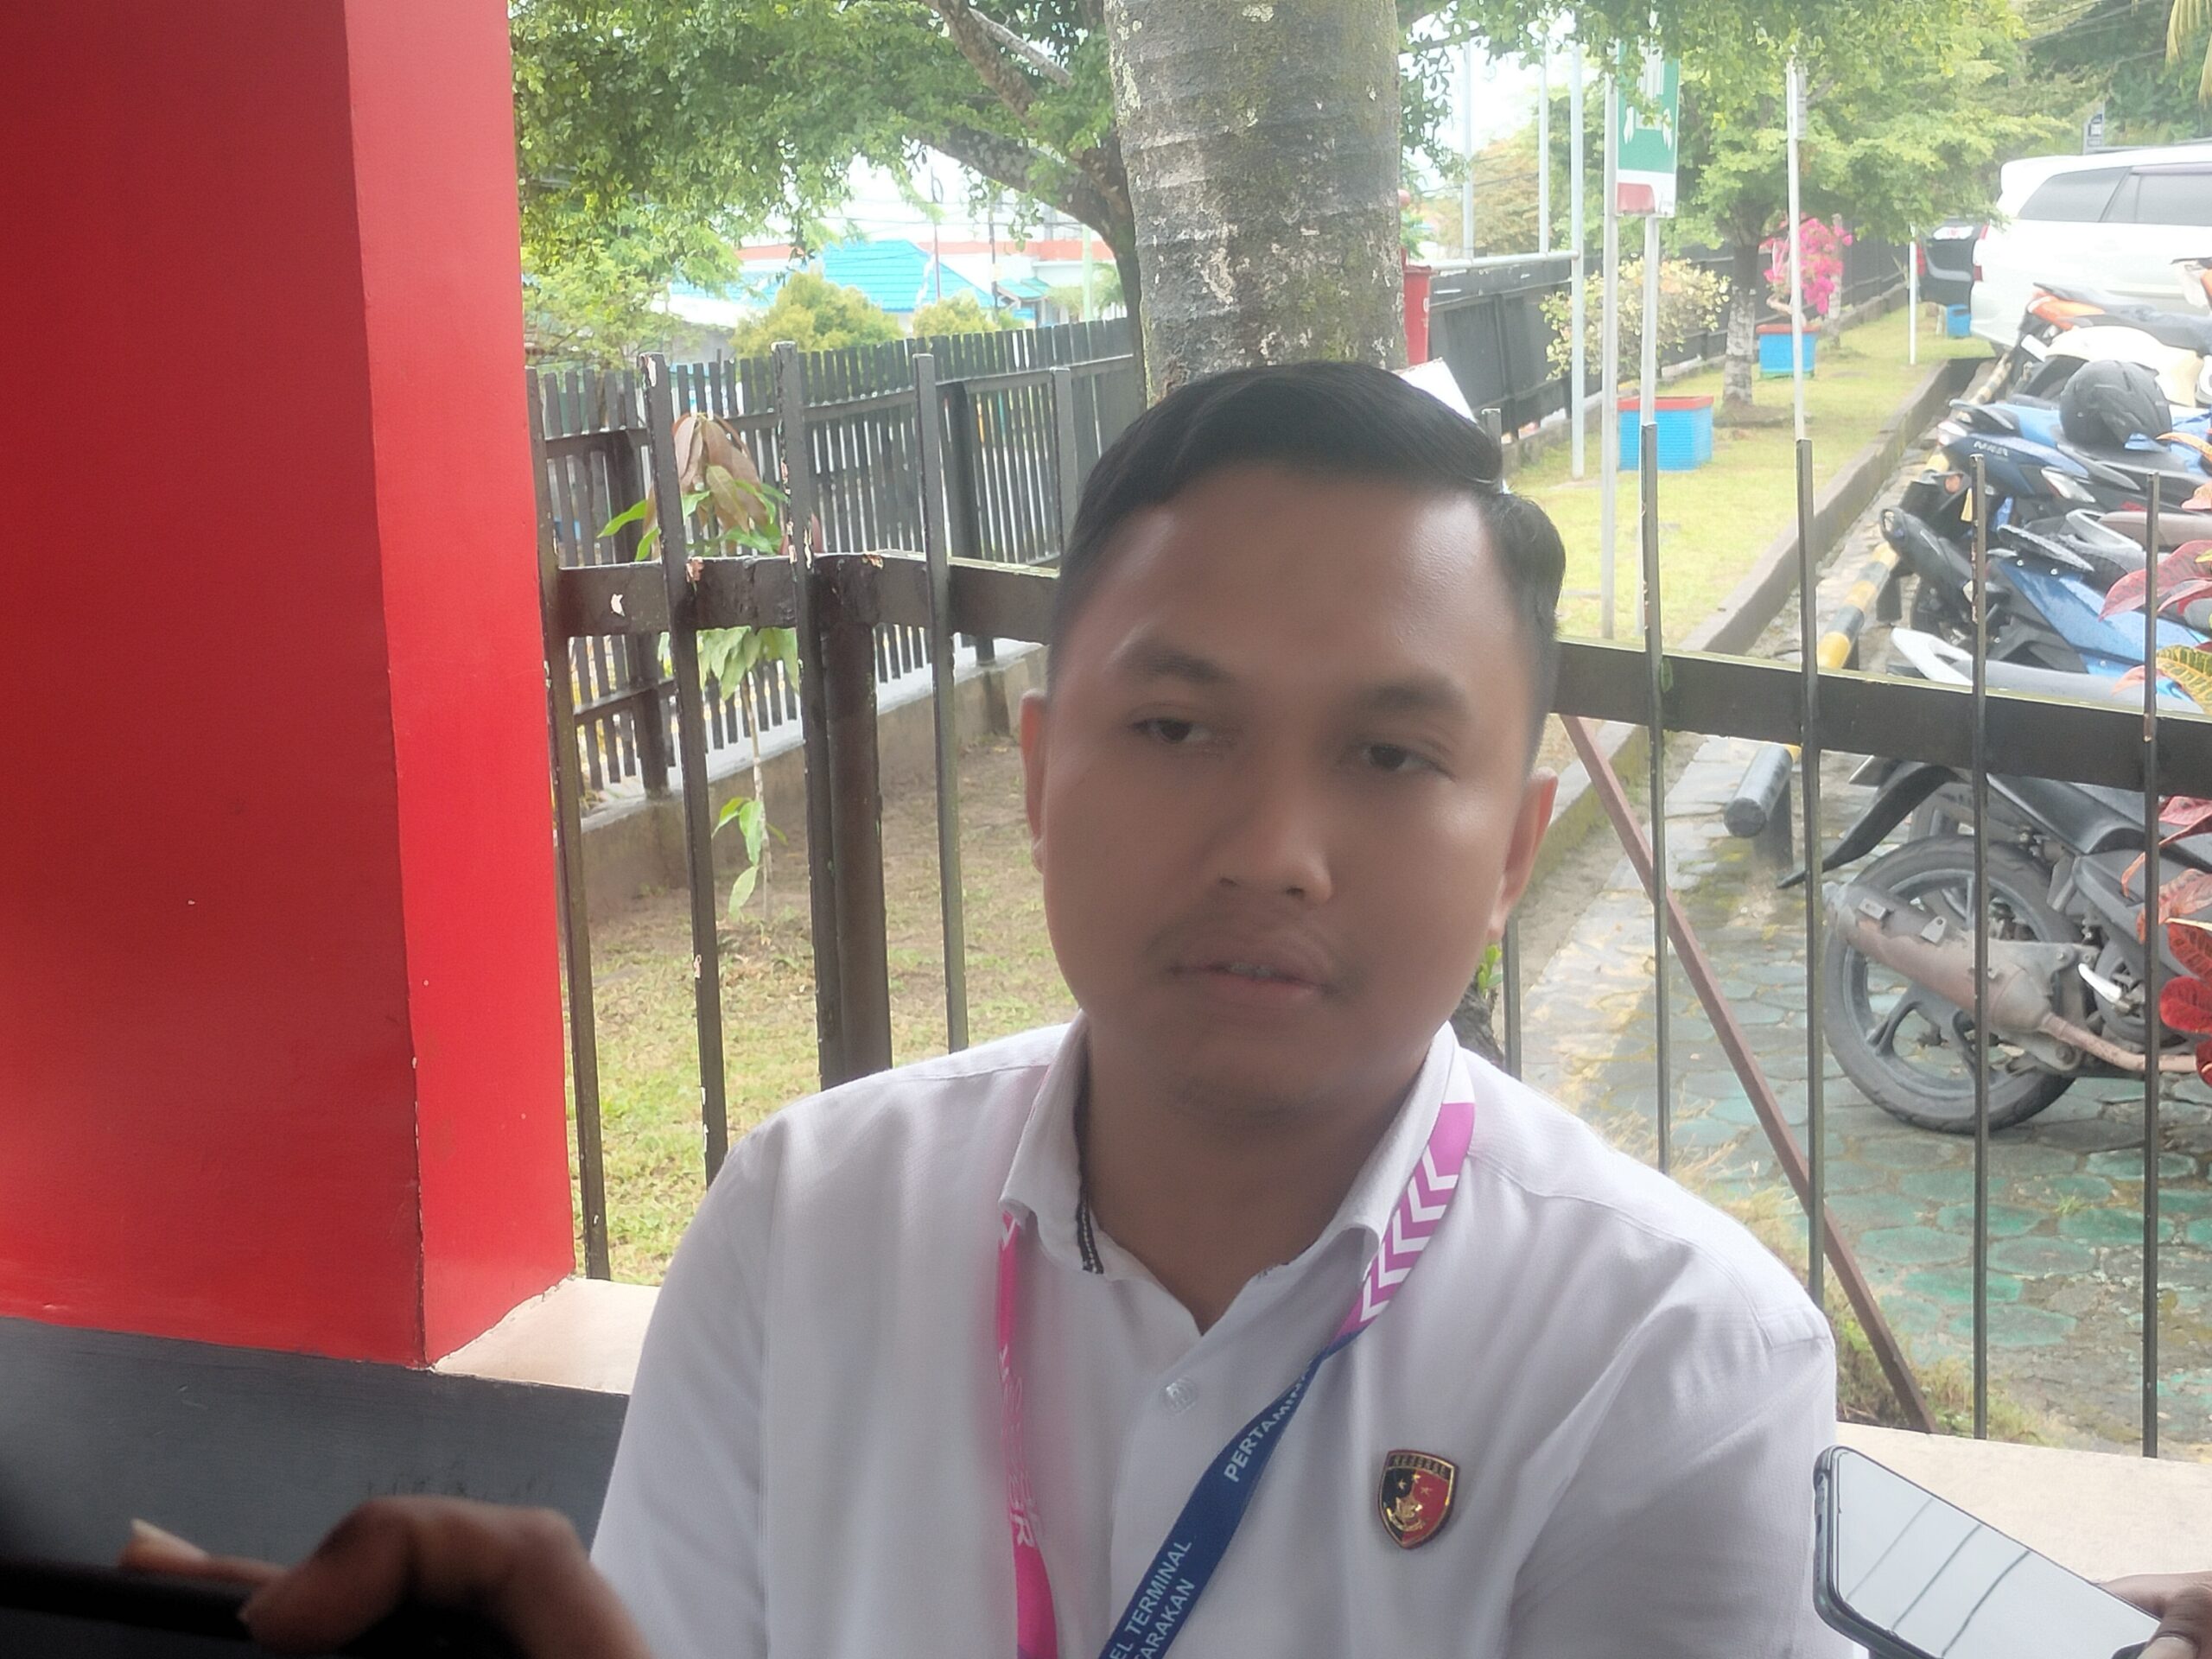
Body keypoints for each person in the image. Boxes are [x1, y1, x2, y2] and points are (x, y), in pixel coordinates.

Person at [118, 363, 2212, 1659]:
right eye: (1177, 726)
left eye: (1389, 756)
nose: (1273, 850)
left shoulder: (1668, 1352)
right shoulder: (805, 1214)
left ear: (1512, 848)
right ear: (1040, 776)